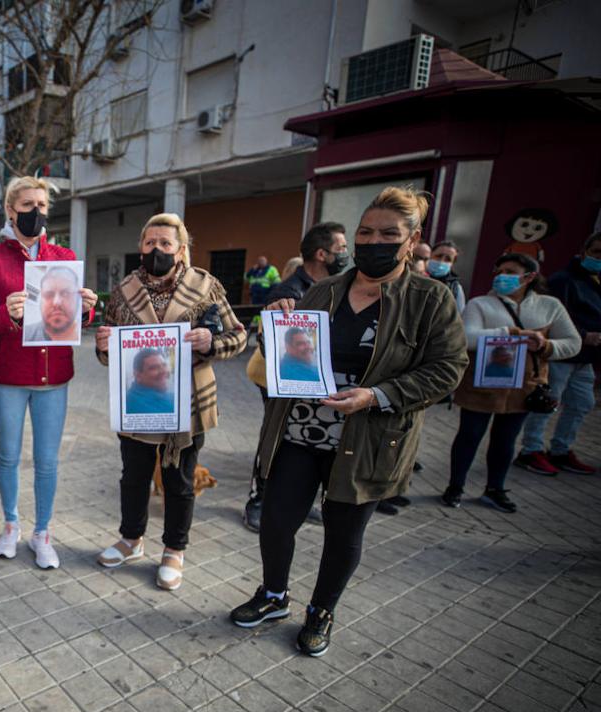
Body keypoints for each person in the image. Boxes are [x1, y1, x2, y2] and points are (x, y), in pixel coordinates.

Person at [230, 186, 467, 658]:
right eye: (365, 232)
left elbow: (447, 368)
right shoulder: (324, 289)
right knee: (277, 522)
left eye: (388, 234)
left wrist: (376, 396)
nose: (373, 241)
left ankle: (321, 610)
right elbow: (292, 354)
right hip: (300, 430)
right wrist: (274, 326)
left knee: (343, 534)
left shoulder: (428, 299)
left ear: (410, 239)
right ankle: (274, 595)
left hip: (366, 437)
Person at [96, 213, 247, 590]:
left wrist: (211, 342)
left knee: (179, 479)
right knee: (133, 477)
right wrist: (103, 347)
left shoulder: (205, 286)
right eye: (150, 243)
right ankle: (131, 540)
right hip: (139, 401)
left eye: (166, 244)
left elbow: (238, 336)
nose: (157, 250)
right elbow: (109, 352)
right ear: (140, 247)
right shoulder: (125, 289)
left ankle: (174, 550)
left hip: (188, 402)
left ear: (181, 249)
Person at [0, 177, 97, 569]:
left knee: (47, 460)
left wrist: (86, 308)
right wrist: (5, 313)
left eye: (42, 205)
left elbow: (77, 316)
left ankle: (42, 532)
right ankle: (10, 525)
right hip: (7, 375)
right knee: (8, 455)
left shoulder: (63, 256)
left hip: (52, 376)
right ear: (11, 210)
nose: (36, 212)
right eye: (28, 205)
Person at [444, 252, 579, 512]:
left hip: (523, 387)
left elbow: (572, 343)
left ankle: (495, 488)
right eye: (499, 271)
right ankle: (455, 486)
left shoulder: (550, 306)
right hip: (482, 385)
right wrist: (510, 333)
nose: (502, 277)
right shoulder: (481, 304)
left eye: (509, 271)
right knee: (469, 435)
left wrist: (545, 344)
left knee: (506, 440)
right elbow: (466, 338)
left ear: (529, 277)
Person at [242, 222, 348, 532]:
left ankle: (304, 501)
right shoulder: (288, 292)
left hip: (312, 381)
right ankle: (257, 501)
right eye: (341, 249)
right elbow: (268, 342)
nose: (346, 254)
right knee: (273, 437)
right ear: (321, 253)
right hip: (277, 379)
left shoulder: (336, 287)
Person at [515, 231, 601, 476]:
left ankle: (561, 450)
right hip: (561, 354)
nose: (599, 258)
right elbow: (554, 318)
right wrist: (585, 335)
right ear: (584, 252)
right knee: (546, 402)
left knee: (583, 403)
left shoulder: (595, 281)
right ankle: (531, 450)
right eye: (596, 252)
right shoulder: (565, 280)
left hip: (585, 359)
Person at [22, 264, 82, 343]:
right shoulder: (27, 334)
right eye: (49, 295)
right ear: (40, 301)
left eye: (66, 293)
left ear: (78, 298)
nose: (56, 302)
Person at [125, 348, 175, 414]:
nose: (163, 371)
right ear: (138, 376)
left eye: (164, 365)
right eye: (154, 367)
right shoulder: (137, 406)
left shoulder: (158, 393)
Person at [428, 240, 466, 311]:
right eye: (438, 256)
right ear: (430, 255)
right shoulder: (416, 276)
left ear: (452, 264)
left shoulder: (455, 288)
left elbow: (459, 316)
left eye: (448, 259)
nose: (441, 261)